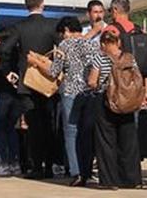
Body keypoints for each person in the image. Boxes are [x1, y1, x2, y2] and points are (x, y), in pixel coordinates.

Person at [0, 0, 60, 179]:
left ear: (26, 6)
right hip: (47, 81)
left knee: (33, 125)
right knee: (49, 123)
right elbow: (61, 49)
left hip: (28, 83)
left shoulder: (19, 27)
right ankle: (50, 165)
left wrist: (9, 72)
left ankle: (36, 166)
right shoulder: (52, 25)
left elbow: (5, 50)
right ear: (42, 4)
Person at [44, 16, 98, 187]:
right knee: (87, 132)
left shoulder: (64, 45)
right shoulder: (92, 45)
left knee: (71, 131)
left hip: (69, 91)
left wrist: (38, 63)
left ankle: (76, 171)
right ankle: (87, 170)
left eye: (62, 33)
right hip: (88, 92)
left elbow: (54, 71)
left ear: (67, 30)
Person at [88, 30, 143, 189]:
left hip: (106, 102)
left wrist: (94, 85)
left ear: (103, 44)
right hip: (127, 102)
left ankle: (110, 181)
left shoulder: (100, 58)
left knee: (106, 142)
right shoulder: (129, 58)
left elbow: (92, 81)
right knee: (129, 142)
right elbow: (137, 78)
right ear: (118, 42)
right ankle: (132, 179)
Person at [0, 35, 22, 176]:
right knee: (11, 128)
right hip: (16, 92)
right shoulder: (17, 49)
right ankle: (15, 163)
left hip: (0, 91)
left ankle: (4, 163)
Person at [106, 0, 147, 102]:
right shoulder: (138, 30)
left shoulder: (111, 30)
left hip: (119, 85)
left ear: (115, 10)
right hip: (138, 84)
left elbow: (105, 56)